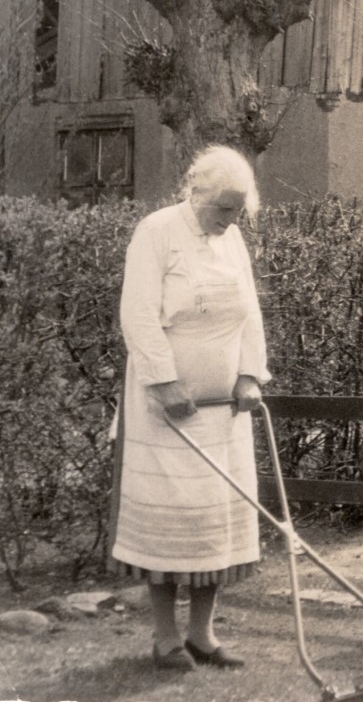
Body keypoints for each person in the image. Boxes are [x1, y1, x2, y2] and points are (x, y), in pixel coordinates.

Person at [109, 145, 270, 672]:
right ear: (197, 192)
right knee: (169, 524)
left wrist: (249, 376)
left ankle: (203, 634)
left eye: (238, 210)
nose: (230, 219)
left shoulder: (233, 239)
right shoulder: (156, 232)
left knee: (215, 523)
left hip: (224, 413)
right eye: (223, 208)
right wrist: (165, 382)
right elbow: (138, 315)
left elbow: (250, 313)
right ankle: (165, 638)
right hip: (166, 412)